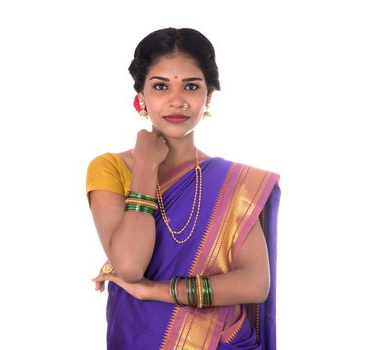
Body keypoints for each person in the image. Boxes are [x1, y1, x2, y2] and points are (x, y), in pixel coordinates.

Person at [86, 27, 281, 350]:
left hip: (219, 339)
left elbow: (255, 283)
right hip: (138, 336)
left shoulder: (235, 182)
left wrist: (156, 290)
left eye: (191, 86)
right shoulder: (110, 168)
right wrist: (146, 166)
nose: (177, 100)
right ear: (141, 99)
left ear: (208, 97)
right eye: (160, 86)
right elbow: (130, 266)